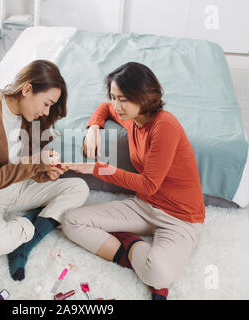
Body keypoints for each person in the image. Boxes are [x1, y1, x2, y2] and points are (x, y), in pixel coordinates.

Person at [62, 62, 205, 300]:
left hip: (180, 218)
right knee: (71, 221)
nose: (117, 106)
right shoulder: (133, 118)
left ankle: (129, 245)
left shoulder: (164, 125)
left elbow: (149, 184)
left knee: (158, 275)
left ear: (145, 97)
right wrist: (93, 128)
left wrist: (96, 168)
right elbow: (105, 108)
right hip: (143, 206)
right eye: (114, 97)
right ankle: (129, 246)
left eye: (124, 99)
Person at [0, 60, 90, 281]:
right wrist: (36, 163)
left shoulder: (28, 117)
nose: (46, 111)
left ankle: (25, 244)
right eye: (46, 103)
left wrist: (44, 173)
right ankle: (33, 222)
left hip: (19, 189)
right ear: (27, 89)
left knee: (79, 187)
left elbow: (25, 166)